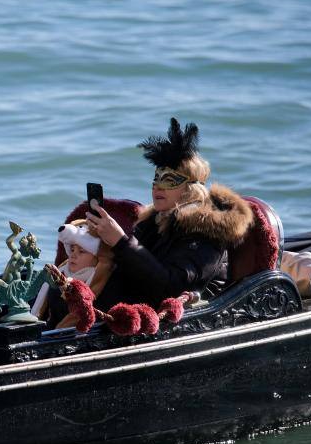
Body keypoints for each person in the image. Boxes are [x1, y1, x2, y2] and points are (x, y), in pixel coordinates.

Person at [86, 117, 253, 308]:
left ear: (190, 189)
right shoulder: (153, 223)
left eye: (168, 179)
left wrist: (121, 243)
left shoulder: (207, 232)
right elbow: (130, 271)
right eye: (156, 178)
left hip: (181, 318)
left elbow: (171, 288)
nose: (158, 186)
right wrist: (103, 242)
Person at [31, 219, 114, 329]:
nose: (73, 255)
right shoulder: (58, 274)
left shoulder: (101, 285)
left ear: (97, 259)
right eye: (72, 249)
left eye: (81, 251)